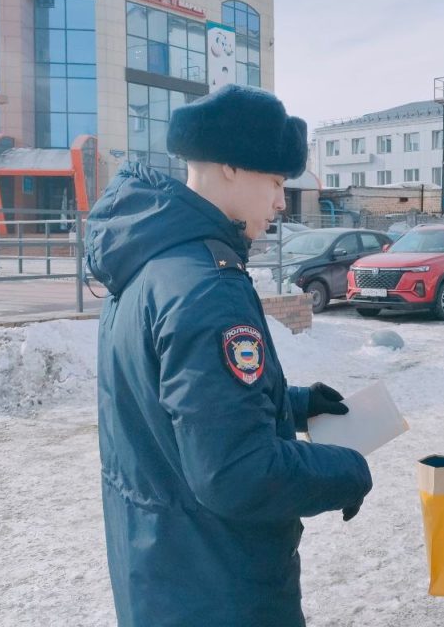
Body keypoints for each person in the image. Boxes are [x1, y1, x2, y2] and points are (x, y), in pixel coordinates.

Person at [85, 84, 372, 627]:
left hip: (162, 569)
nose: (282, 201)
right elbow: (236, 473)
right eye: (276, 180)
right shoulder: (205, 287)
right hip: (220, 587)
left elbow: (169, 404)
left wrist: (291, 404)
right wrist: (346, 471)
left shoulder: (148, 261)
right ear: (234, 168)